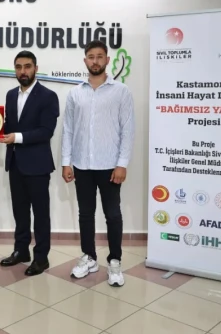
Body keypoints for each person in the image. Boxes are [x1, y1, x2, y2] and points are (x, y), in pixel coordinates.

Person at [61, 40, 135, 287]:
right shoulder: (75, 93)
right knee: (85, 214)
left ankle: (115, 261)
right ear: (85, 61)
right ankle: (89, 257)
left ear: (107, 60)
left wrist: (122, 163)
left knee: (112, 214)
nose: (95, 61)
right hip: (81, 164)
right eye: (91, 57)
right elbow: (68, 129)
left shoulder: (121, 91)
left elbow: (128, 129)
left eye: (100, 56)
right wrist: (66, 162)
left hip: (110, 165)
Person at [0, 51, 59, 276]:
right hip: (15, 162)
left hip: (38, 165)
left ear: (35, 68)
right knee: (20, 211)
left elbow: (46, 131)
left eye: (27, 66)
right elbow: (8, 125)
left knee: (41, 214)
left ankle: (41, 258)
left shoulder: (48, 96)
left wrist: (15, 137)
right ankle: (21, 250)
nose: (22, 71)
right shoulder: (10, 95)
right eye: (18, 67)